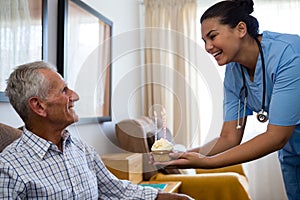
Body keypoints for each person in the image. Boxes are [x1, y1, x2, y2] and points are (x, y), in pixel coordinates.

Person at [155, 0, 300, 199]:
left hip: (285, 140)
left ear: (241, 29)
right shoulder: (234, 73)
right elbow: (229, 137)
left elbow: (277, 136)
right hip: (292, 152)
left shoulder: (289, 53)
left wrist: (208, 163)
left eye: (212, 37)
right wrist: (185, 155)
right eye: (204, 41)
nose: (207, 47)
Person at [0, 61, 192, 200]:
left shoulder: (81, 149)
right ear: (39, 106)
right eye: (64, 91)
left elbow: (116, 190)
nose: (74, 96)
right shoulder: (8, 169)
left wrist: (169, 198)